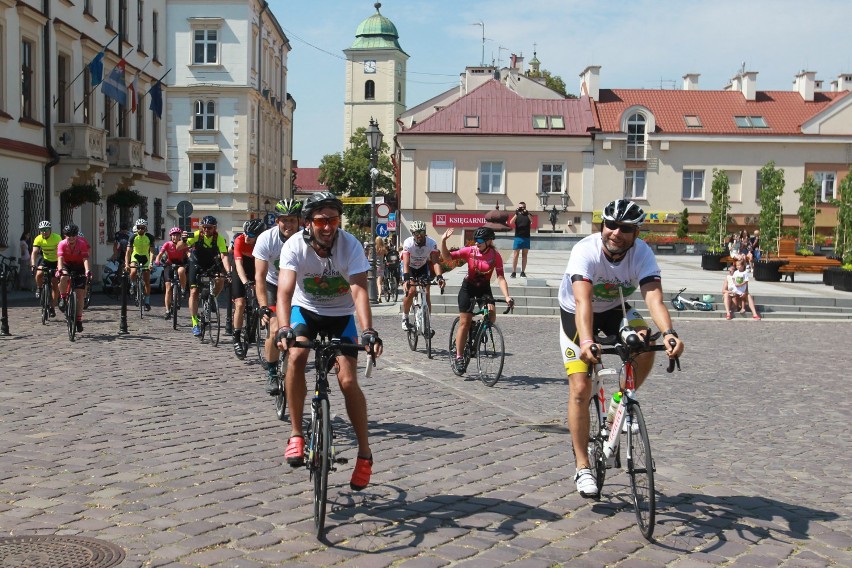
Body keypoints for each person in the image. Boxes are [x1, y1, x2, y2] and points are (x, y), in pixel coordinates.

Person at [559, 199, 684, 498]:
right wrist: (588, 342)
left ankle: (621, 400)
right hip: (577, 314)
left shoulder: (642, 253)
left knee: (644, 341)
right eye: (611, 225)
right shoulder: (584, 251)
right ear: (602, 226)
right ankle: (582, 467)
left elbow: (653, 298)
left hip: (618, 307)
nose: (616, 232)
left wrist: (668, 333)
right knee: (580, 388)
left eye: (625, 228)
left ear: (636, 233)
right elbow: (582, 302)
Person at [274, 191, 383, 491]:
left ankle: (364, 454)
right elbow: (284, 290)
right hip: (305, 311)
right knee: (296, 357)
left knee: (348, 381)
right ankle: (297, 434)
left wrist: (368, 331)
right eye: (321, 220)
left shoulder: (350, 245)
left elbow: (359, 290)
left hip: (341, 315)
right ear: (308, 222)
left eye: (333, 219)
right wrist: (284, 327)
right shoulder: (295, 245)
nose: (328, 226)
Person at [439, 226, 513, 369]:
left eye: (479, 240)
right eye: (475, 239)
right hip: (468, 288)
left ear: (488, 241)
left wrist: (507, 296)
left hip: (484, 289)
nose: (476, 242)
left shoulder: (495, 256)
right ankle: (459, 356)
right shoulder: (470, 251)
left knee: (491, 315)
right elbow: (447, 257)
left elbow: (501, 277)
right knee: (464, 322)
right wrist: (443, 241)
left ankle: (479, 327)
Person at [254, 198, 303, 393]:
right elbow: (259, 275)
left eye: (292, 220)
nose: (289, 225)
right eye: (285, 220)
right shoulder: (267, 239)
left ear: (299, 221)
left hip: (299, 286)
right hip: (273, 284)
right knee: (275, 329)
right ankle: (272, 373)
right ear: (277, 221)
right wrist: (263, 306)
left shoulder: (306, 238)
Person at [184, 216, 232, 337]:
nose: (206, 230)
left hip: (211, 264)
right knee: (194, 291)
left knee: (220, 278)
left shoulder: (219, 238)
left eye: (209, 228)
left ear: (214, 228)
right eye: (204, 227)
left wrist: (229, 271)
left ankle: (212, 298)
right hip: (196, 263)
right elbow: (181, 246)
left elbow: (224, 256)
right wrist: (183, 240)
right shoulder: (196, 235)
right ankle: (194, 323)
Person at [400, 220, 445, 331]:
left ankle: (427, 322)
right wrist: (406, 278)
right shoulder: (408, 243)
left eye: (421, 232)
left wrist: (439, 277)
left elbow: (435, 262)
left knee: (427, 292)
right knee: (411, 291)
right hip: (409, 267)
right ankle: (405, 318)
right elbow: (405, 262)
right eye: (416, 233)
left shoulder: (431, 243)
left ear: (425, 232)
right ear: (413, 234)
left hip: (422, 267)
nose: (419, 235)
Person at [231, 218, 265, 358]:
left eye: (250, 235)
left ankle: (259, 321)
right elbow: (238, 266)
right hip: (241, 268)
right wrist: (245, 283)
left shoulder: (264, 243)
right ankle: (236, 337)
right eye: (245, 233)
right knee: (240, 303)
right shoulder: (240, 240)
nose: (246, 237)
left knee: (262, 296)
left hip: (255, 267)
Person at [55, 223, 92, 332]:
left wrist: (87, 271)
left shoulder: (81, 243)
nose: (71, 238)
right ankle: (62, 297)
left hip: (79, 265)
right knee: (63, 277)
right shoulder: (61, 244)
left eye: (73, 235)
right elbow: (60, 258)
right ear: (65, 236)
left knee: (80, 295)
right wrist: (60, 270)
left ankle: (79, 319)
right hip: (66, 264)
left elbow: (85, 258)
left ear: (76, 236)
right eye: (68, 235)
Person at [155, 227, 188, 319]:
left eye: (177, 235)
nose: (175, 237)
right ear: (171, 236)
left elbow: (188, 253)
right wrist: (157, 260)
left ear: (180, 236)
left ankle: (182, 289)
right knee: (168, 288)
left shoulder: (183, 244)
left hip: (180, 264)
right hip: (169, 265)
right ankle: (167, 310)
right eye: (173, 235)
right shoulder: (167, 244)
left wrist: (192, 259)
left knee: (181, 271)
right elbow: (160, 254)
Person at [30, 220, 61, 316]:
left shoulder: (56, 238)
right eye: (42, 230)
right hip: (46, 261)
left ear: (50, 230)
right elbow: (34, 252)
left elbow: (61, 253)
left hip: (56, 261)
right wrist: (33, 264)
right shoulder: (38, 238)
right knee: (38, 274)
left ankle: (52, 307)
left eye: (46, 230)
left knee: (54, 285)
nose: (44, 232)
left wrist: (60, 267)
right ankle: (39, 288)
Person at [125, 218, 156, 311]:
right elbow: (128, 252)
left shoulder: (150, 237)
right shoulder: (132, 237)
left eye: (142, 228)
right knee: (133, 271)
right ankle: (132, 284)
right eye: (139, 228)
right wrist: (127, 264)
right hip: (136, 257)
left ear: (145, 228)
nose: (140, 230)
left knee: (147, 280)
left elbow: (151, 252)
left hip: (145, 258)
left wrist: (151, 263)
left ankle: (147, 302)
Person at [509, 201, 532, 277]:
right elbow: (511, 222)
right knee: (516, 255)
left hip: (526, 237)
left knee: (524, 255)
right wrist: (516, 213)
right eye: (520, 207)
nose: (522, 209)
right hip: (518, 237)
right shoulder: (517, 215)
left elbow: (532, 221)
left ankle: (523, 272)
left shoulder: (528, 215)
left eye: (523, 207)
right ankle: (514, 272)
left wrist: (527, 213)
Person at [374, 236, 388, 302]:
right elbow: (387, 254)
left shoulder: (374, 248)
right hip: (381, 267)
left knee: (373, 282)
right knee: (379, 283)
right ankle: (379, 295)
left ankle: (376, 295)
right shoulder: (383, 249)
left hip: (374, 267)